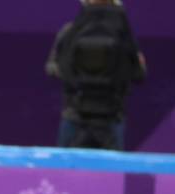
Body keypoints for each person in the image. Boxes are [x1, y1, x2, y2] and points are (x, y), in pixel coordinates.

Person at [46, 0, 146, 150]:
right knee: (110, 172)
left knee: (66, 172)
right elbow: (139, 74)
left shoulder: (69, 32)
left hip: (83, 118)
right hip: (105, 120)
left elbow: (53, 68)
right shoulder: (124, 36)